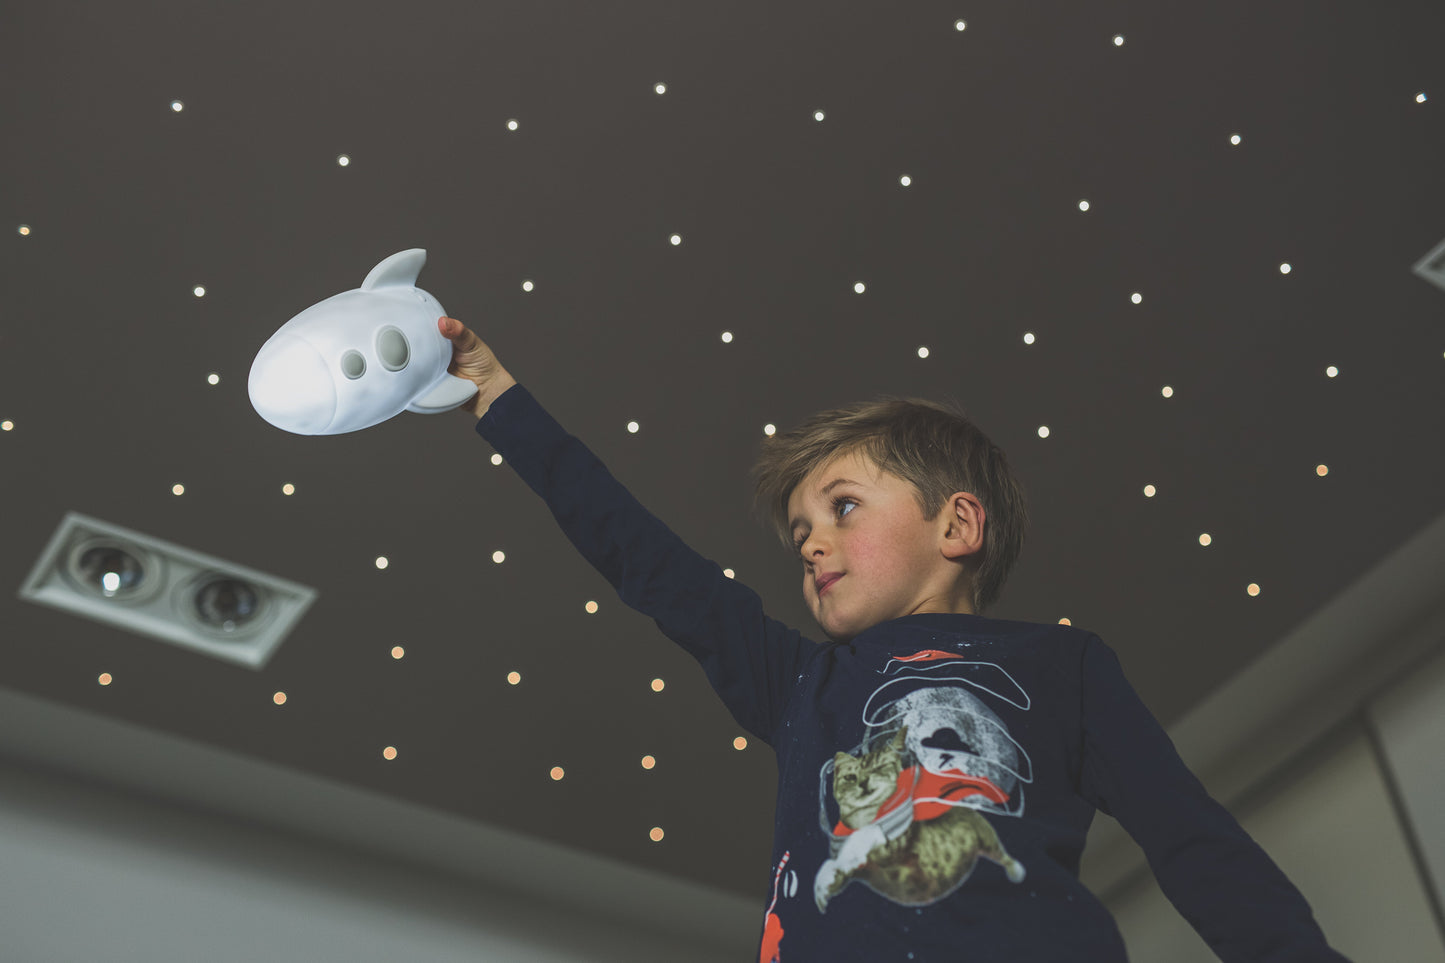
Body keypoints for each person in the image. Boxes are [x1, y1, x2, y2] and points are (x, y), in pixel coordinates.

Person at [436, 315, 1350, 962]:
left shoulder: (1062, 667)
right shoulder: (799, 683)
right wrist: (498, 399)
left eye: (841, 507)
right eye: (799, 533)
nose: (811, 544)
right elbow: (648, 561)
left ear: (956, 525)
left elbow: (1193, 840)